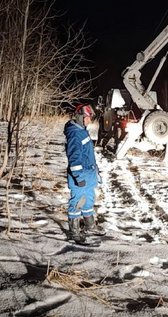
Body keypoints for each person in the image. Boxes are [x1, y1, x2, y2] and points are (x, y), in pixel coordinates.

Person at [64, 104, 105, 244]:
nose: (89, 121)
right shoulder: (75, 134)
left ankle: (90, 226)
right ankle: (74, 233)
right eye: (87, 118)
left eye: (90, 118)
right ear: (81, 117)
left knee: (88, 200)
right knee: (77, 203)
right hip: (80, 178)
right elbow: (74, 158)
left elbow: (88, 155)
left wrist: (96, 173)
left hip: (88, 176)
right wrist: (79, 177)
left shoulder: (82, 131)